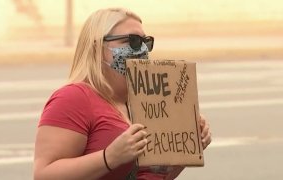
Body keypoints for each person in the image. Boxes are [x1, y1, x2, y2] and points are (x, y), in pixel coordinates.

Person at [34, 8, 212, 180]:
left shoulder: (147, 102)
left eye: (146, 42)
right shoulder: (73, 98)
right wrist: (109, 157)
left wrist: (185, 151)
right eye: (132, 41)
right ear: (98, 47)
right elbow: (43, 175)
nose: (142, 49)